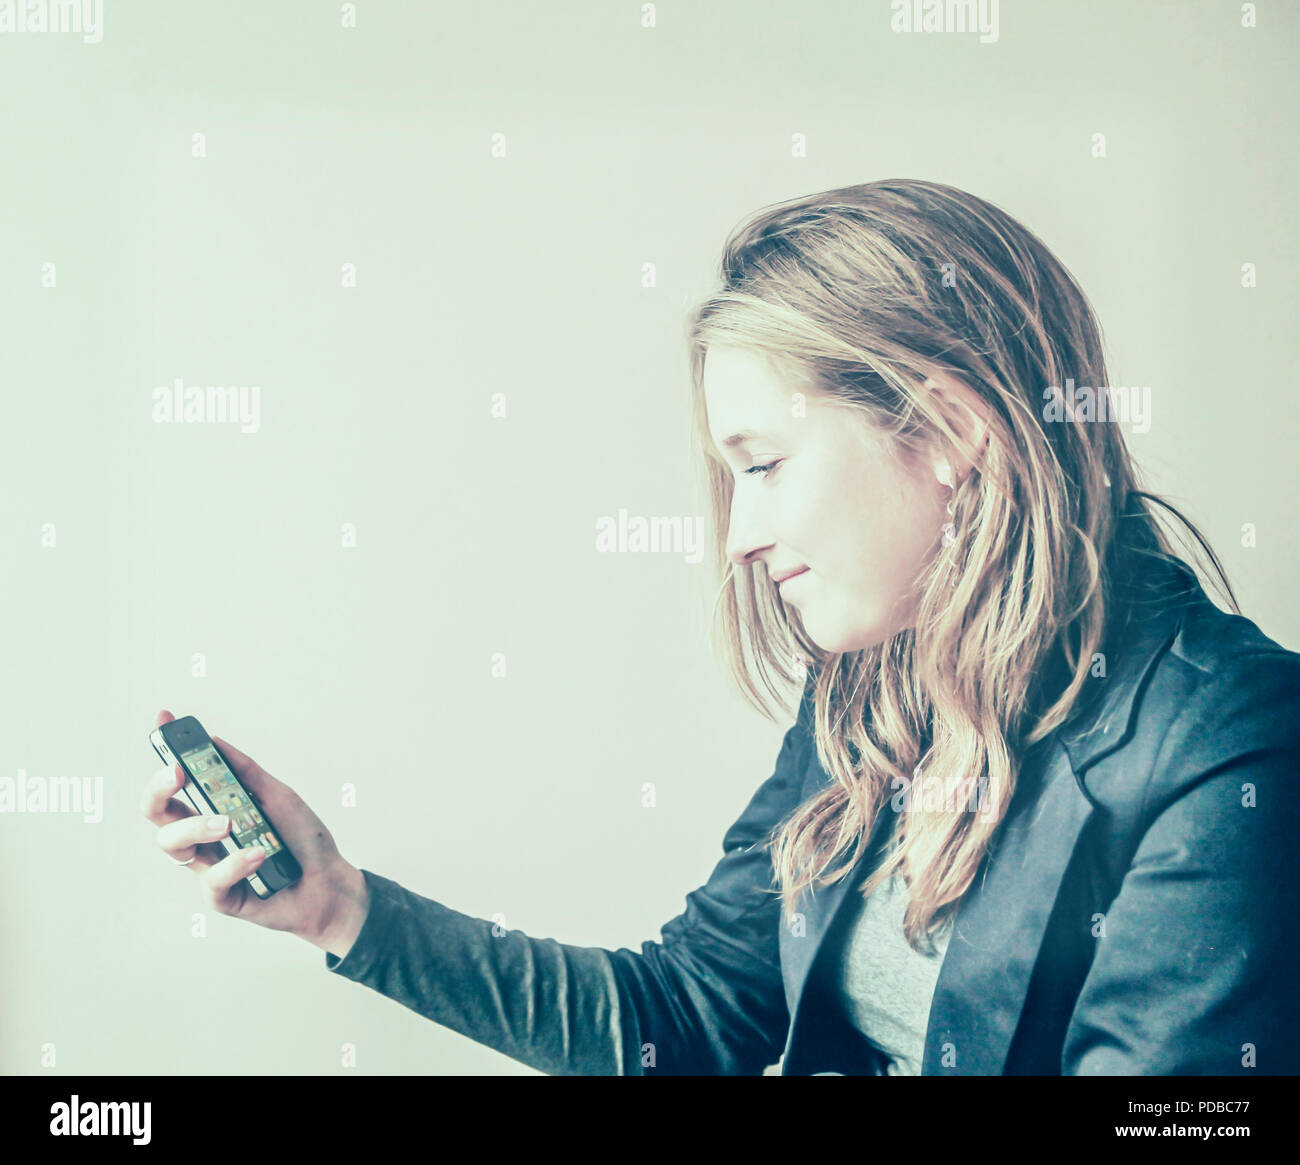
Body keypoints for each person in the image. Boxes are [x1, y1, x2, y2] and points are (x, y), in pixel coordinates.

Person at [140, 179, 1300, 1075]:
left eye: (766, 465)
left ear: (949, 429)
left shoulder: (1234, 747)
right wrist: (343, 907)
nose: (740, 535)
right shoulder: (869, 685)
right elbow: (691, 1014)